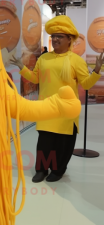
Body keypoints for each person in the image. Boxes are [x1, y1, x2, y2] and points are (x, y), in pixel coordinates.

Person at [11, 15, 103, 183]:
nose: (54, 39)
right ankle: (41, 170)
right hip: (46, 108)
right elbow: (36, 78)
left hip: (66, 111)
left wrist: (96, 71)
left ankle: (58, 170)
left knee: (62, 145)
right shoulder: (44, 58)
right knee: (44, 144)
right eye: (53, 36)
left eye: (59, 36)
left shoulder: (76, 61)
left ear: (69, 39)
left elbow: (86, 84)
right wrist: (21, 67)